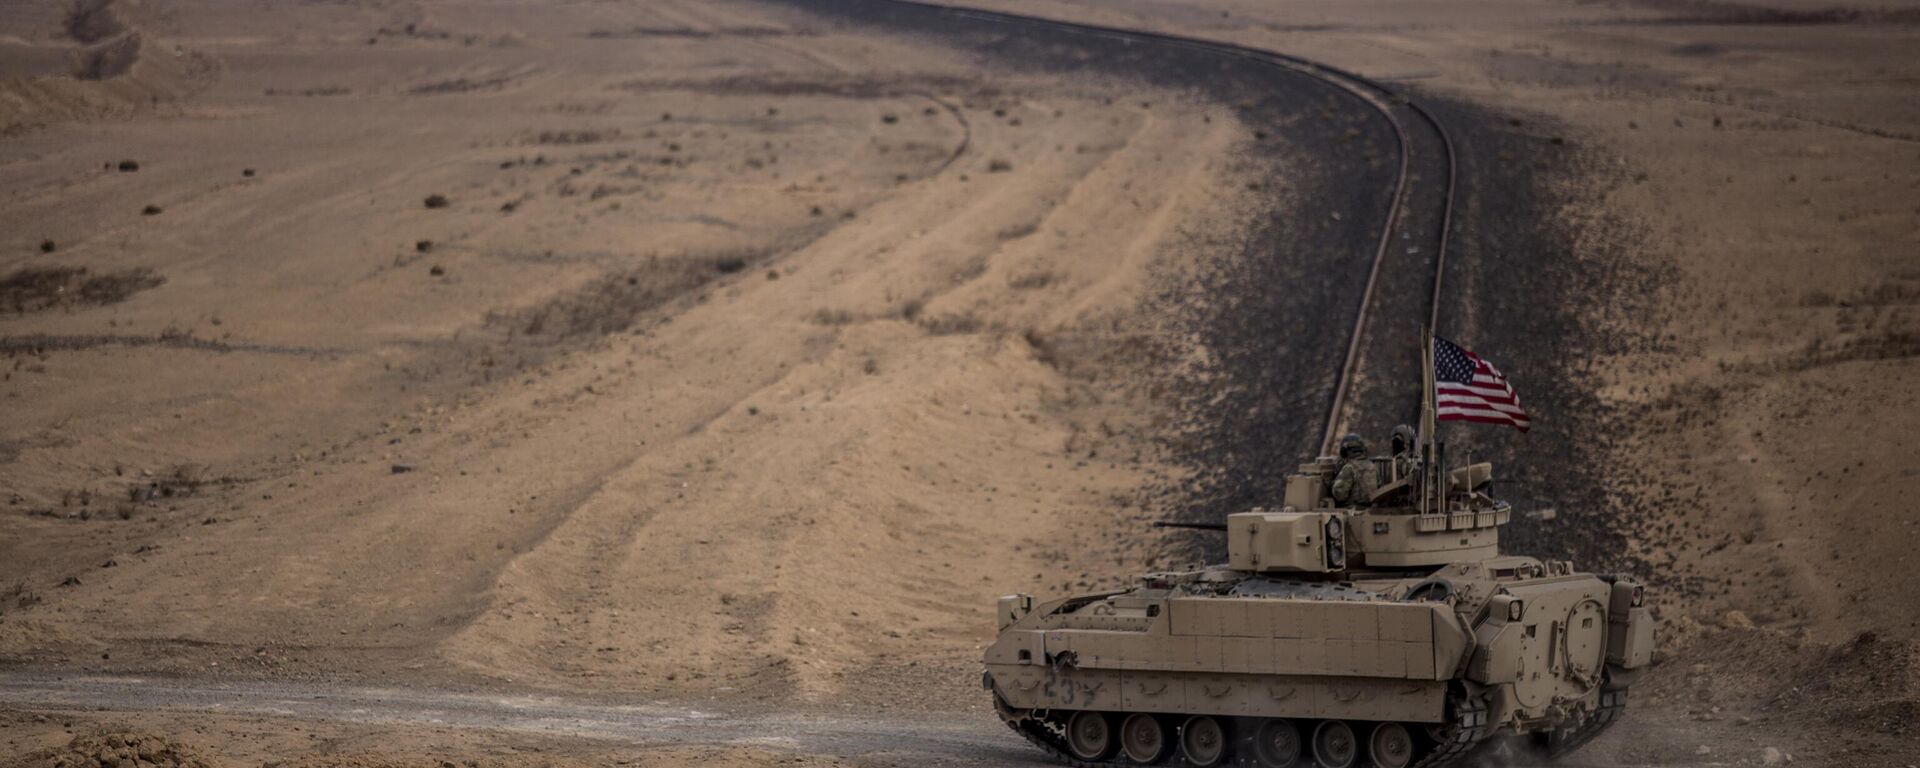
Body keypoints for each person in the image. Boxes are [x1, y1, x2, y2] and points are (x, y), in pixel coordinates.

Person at [1329, 433, 1374, 507]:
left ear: (1344, 451)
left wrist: (1333, 484)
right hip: (1370, 509)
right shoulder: (1372, 466)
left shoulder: (1349, 468)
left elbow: (1340, 495)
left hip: (1352, 510)